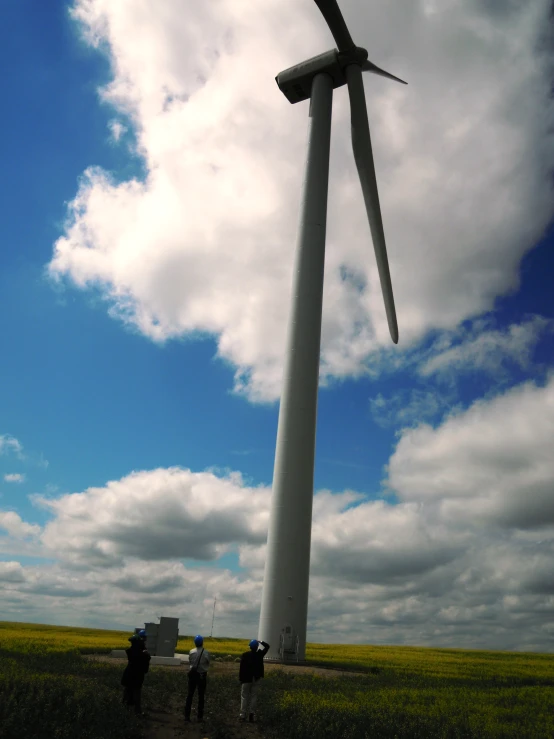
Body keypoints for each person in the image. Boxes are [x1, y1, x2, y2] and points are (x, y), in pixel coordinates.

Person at [239, 639, 270, 722]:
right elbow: (267, 646)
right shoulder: (259, 655)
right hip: (256, 679)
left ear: (250, 647)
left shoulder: (245, 655)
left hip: (246, 679)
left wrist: (241, 679)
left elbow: (241, 669)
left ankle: (242, 715)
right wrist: (260, 641)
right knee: (254, 696)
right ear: (257, 647)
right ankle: (251, 715)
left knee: (244, 697)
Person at [121, 630, 151, 715]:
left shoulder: (131, 651)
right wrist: (147, 655)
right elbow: (145, 667)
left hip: (128, 675)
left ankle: (124, 709)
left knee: (127, 692)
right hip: (137, 676)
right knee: (136, 693)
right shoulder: (142, 653)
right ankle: (137, 711)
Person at [185, 634, 210, 723]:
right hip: (202, 676)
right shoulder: (206, 652)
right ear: (202, 643)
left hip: (192, 675)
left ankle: (187, 716)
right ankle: (200, 717)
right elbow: (208, 662)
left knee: (190, 695)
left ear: (195, 643)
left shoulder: (191, 652)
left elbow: (190, 661)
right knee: (201, 696)